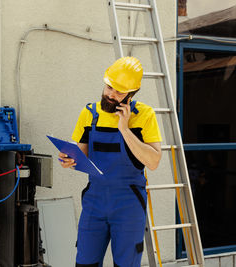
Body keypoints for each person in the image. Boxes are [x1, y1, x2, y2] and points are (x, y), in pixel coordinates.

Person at [59, 56, 162, 267]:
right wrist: (68, 159)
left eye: (118, 92)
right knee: (85, 263)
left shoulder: (144, 116)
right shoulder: (89, 113)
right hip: (94, 202)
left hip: (128, 204)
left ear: (131, 94)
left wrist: (124, 129)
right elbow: (81, 154)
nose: (111, 95)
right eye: (108, 87)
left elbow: (153, 161)